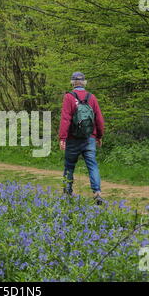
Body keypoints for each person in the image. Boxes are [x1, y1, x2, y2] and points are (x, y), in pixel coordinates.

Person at [59, 72, 105, 205]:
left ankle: (67, 192)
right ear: (84, 83)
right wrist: (99, 136)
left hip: (73, 138)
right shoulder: (92, 97)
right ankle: (97, 193)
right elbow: (99, 119)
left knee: (69, 166)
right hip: (89, 138)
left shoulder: (68, 97)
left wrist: (62, 138)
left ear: (72, 82)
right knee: (92, 165)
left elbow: (66, 119)